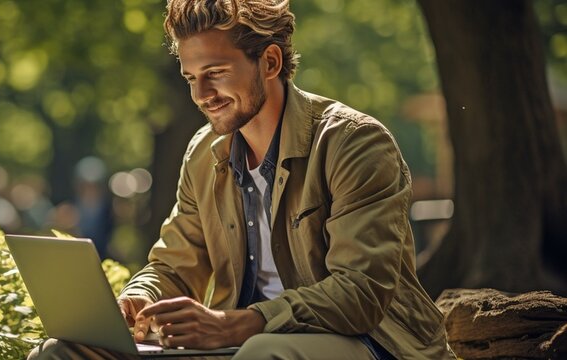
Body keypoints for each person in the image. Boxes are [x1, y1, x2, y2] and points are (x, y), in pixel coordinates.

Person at [30, 0, 455, 358]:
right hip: (237, 343)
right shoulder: (203, 153)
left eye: (215, 73)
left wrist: (238, 325)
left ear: (269, 62)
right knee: (60, 351)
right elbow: (175, 263)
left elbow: (359, 293)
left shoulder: (355, 143)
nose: (201, 95)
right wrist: (140, 298)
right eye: (192, 78)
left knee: (262, 353)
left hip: (368, 343)